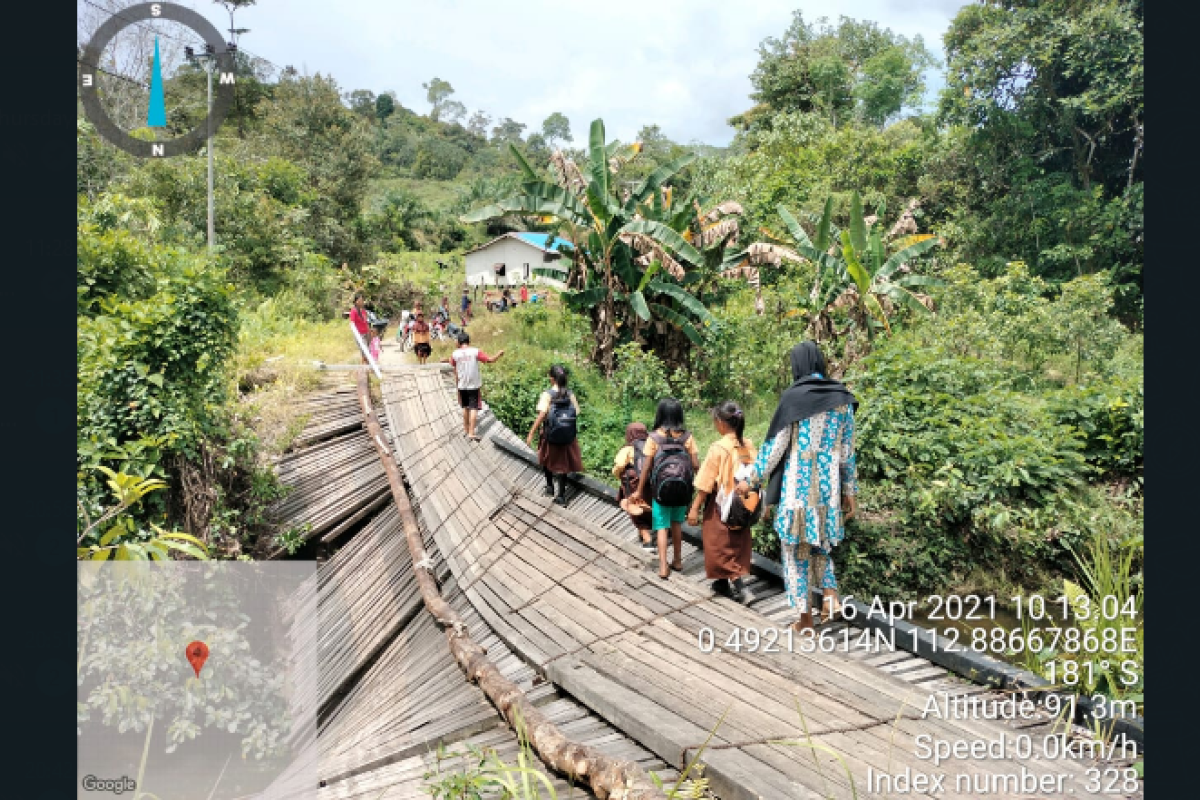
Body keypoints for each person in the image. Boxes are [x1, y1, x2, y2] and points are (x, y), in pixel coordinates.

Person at [739, 341, 858, 633]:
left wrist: (751, 480)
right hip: (828, 491)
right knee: (821, 546)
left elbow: (775, 448)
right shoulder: (841, 399)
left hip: (798, 489)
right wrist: (850, 491)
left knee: (793, 552)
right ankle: (830, 596)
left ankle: (805, 620)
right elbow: (847, 452)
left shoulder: (794, 398)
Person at [687, 401, 756, 603]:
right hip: (743, 503)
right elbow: (752, 473)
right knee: (737, 542)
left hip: (722, 505)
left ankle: (741, 587)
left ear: (721, 423)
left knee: (717, 543)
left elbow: (705, 483)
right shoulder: (746, 444)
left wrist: (694, 509)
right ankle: (721, 583)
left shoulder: (719, 447)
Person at [630, 398, 700, 580]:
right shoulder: (687, 437)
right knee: (677, 523)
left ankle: (663, 565)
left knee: (661, 527)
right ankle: (677, 560)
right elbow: (694, 464)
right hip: (682, 490)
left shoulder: (653, 438)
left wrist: (638, 490)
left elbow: (646, 467)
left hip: (660, 491)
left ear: (660, 415)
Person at [525, 365, 583, 506]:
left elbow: (542, 414)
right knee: (563, 464)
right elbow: (576, 412)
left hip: (550, 433)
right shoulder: (570, 393)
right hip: (567, 435)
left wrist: (531, 432)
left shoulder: (548, 394)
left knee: (546, 458)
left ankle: (550, 487)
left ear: (552, 379)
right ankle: (562, 495)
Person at [446, 332, 504, 440]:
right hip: (473, 385)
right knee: (473, 408)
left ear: (459, 342)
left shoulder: (455, 354)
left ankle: (466, 430)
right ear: (468, 342)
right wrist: (499, 354)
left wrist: (457, 386)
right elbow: (489, 360)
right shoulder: (475, 351)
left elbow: (453, 365)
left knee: (465, 407)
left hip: (462, 384)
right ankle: (472, 433)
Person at [613, 423, 654, 550]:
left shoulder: (628, 449)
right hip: (651, 481)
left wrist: (617, 474)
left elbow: (619, 465)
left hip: (633, 483)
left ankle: (647, 539)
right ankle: (651, 531)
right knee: (648, 505)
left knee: (634, 508)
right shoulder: (652, 446)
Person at [349, 293, 371, 365]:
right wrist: (357, 335)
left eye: (362, 300)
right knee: (364, 351)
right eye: (360, 300)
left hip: (366, 334)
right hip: (359, 335)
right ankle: (365, 367)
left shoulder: (363, 311)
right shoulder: (353, 311)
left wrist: (369, 332)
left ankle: (366, 367)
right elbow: (352, 323)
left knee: (367, 351)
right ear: (356, 301)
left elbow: (366, 322)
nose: (362, 302)